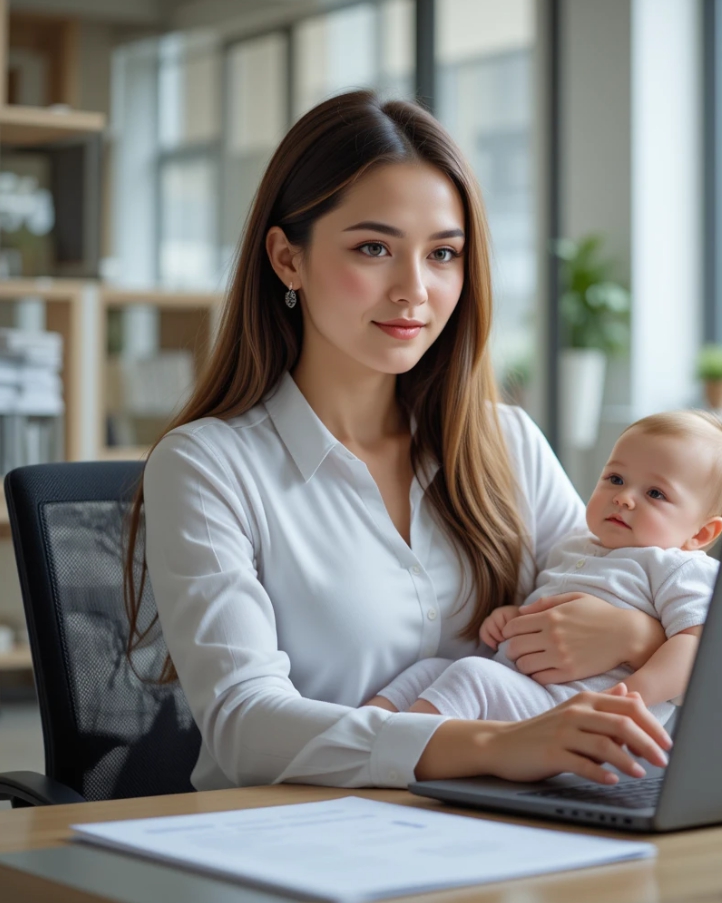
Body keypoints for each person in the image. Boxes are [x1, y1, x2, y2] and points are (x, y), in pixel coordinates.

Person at [126, 90, 672, 794]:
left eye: (443, 253)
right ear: (287, 259)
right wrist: (497, 743)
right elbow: (244, 722)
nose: (415, 290)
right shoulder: (208, 465)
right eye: (374, 248)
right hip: (288, 841)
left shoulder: (504, 441)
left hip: (500, 828)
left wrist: (639, 639)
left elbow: (622, 590)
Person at [367, 410, 722, 727]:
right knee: (430, 670)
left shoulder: (678, 568)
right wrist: (512, 619)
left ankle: (405, 761)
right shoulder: (574, 546)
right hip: (527, 691)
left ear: (701, 533)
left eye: (655, 494)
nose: (624, 498)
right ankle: (362, 736)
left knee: (471, 677)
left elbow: (701, 646)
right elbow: (548, 608)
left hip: (579, 710)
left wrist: (632, 695)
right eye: (615, 478)